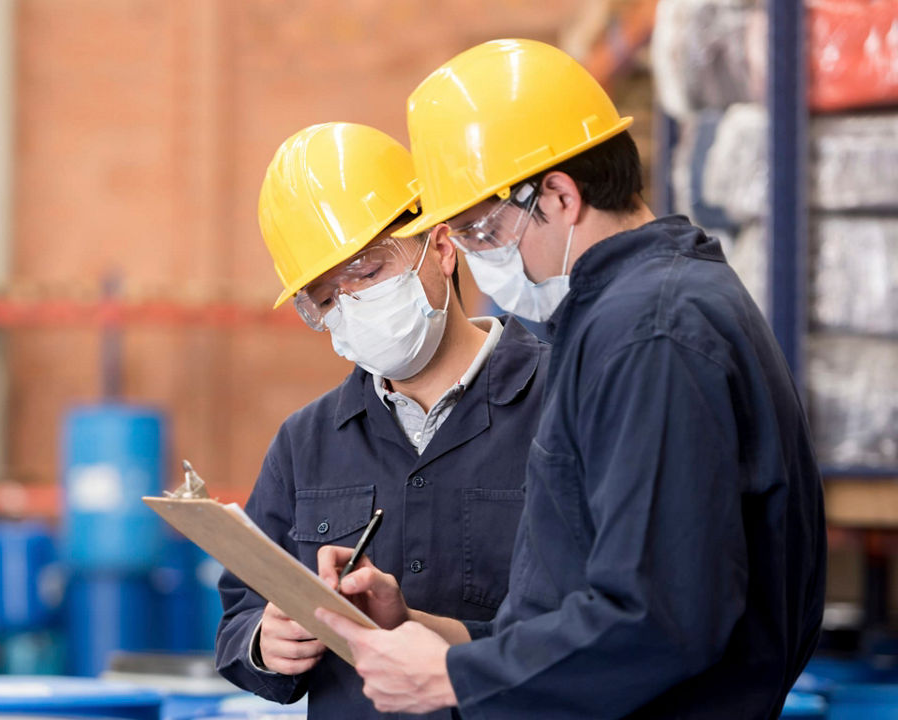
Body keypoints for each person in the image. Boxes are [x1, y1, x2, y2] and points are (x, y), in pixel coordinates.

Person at [314, 39, 826, 719]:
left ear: (557, 195)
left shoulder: (651, 335)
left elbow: (659, 619)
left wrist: (453, 680)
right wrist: (424, 631)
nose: (473, 260)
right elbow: (575, 615)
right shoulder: (625, 319)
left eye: (480, 232)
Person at [214, 121, 550, 720]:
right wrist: (264, 644)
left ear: (442, 248)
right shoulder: (305, 443)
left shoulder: (561, 405)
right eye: (324, 298)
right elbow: (241, 612)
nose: (351, 305)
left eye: (367, 273)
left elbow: (598, 627)